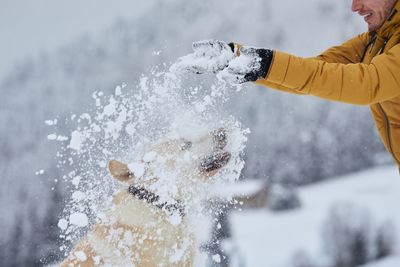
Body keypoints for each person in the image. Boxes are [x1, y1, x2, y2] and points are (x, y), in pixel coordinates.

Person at [176, 0, 400, 168]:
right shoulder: (380, 37)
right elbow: (314, 71)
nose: (355, 6)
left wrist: (264, 64)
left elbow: (367, 85)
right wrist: (241, 60)